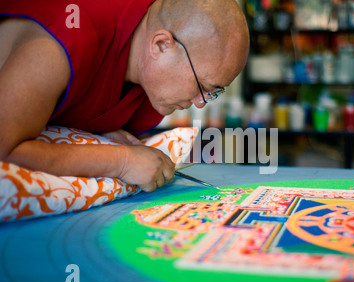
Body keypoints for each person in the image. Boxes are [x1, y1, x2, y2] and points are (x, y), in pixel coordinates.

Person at [0, 0, 250, 192]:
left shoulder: (145, 80)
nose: (201, 101)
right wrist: (120, 161)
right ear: (161, 45)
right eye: (202, 85)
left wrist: (96, 136)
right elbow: (4, 151)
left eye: (214, 92)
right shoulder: (68, 35)